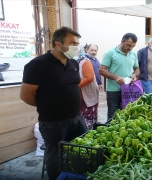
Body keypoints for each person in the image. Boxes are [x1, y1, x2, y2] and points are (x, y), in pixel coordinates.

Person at [20, 27, 88, 180]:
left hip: (77, 118)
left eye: (77, 43)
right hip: (53, 122)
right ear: (58, 43)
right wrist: (47, 106)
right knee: (56, 158)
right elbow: (26, 95)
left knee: (80, 153)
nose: (76, 47)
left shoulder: (73, 63)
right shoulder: (38, 64)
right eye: (72, 43)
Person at [99, 33, 140, 121]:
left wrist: (134, 75)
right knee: (113, 117)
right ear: (122, 41)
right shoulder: (110, 53)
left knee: (127, 115)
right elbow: (101, 70)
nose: (130, 48)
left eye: (133, 46)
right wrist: (116, 77)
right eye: (128, 45)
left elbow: (137, 69)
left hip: (128, 90)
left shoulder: (133, 54)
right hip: (114, 91)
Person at [78, 54, 99, 129]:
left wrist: (73, 87)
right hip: (77, 96)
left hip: (87, 95)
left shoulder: (84, 62)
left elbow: (89, 78)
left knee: (88, 118)